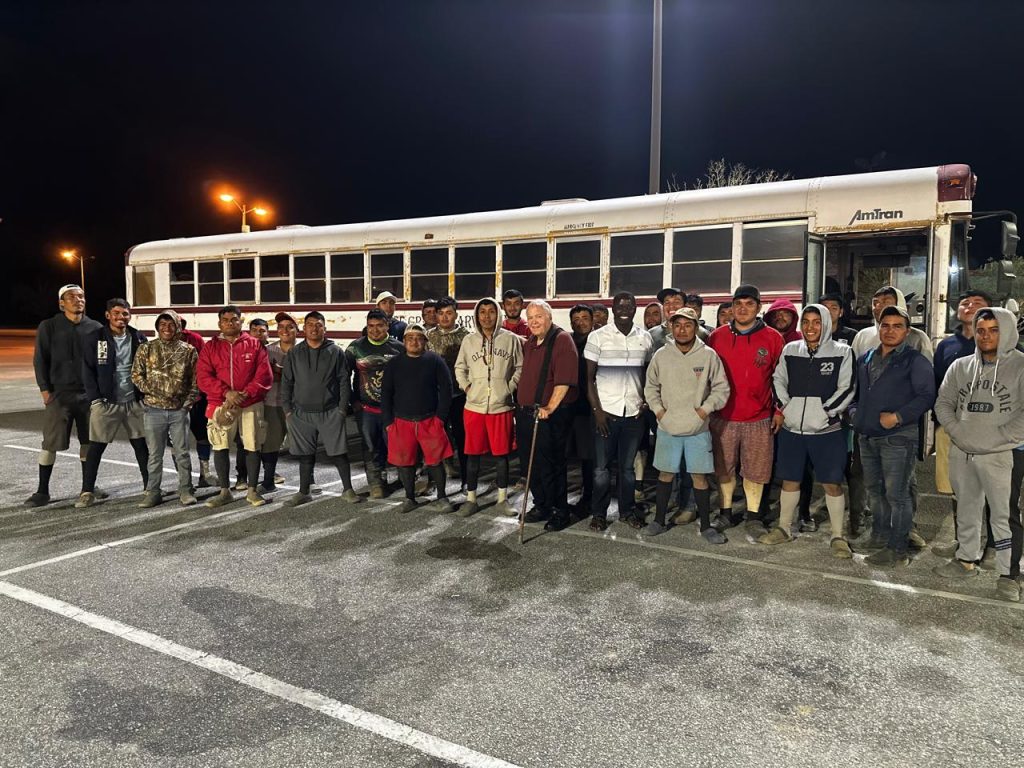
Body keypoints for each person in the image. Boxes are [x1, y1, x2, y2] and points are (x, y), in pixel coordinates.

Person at [933, 307, 1024, 602]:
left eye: (994, 330)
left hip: (1002, 455)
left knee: (1003, 515)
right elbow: (943, 403)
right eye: (981, 330)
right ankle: (966, 560)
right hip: (963, 451)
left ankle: (1009, 574)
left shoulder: (1021, 366)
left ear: (1007, 330)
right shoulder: (960, 367)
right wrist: (959, 433)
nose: (986, 336)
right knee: (967, 508)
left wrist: (998, 438)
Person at [757, 304, 856, 557]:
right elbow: (777, 379)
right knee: (790, 480)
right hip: (793, 430)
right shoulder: (791, 350)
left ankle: (837, 536)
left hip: (827, 431)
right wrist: (786, 407)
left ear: (825, 323)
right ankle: (783, 528)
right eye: (806, 322)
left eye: (816, 322)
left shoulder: (843, 352)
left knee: (832, 484)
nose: (810, 327)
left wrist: (825, 412)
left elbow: (847, 388)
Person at [853, 305, 935, 567]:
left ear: (907, 331)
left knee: (897, 495)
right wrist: (854, 412)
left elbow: (926, 396)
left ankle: (898, 549)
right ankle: (879, 535)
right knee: (875, 492)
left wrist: (898, 417)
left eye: (897, 326)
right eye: (885, 325)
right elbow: (857, 393)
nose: (890, 331)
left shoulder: (914, 360)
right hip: (867, 436)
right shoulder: (866, 358)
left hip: (898, 438)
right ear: (878, 328)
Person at [642, 308, 730, 542]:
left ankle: (705, 526)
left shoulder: (708, 355)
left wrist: (704, 411)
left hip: (698, 429)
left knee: (699, 477)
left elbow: (722, 388)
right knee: (665, 474)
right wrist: (660, 412)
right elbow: (650, 388)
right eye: (677, 324)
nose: (682, 329)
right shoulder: (661, 355)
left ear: (696, 327)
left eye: (688, 325)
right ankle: (659, 521)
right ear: (670, 326)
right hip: (668, 426)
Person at [706, 284, 785, 529]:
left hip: (759, 417)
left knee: (756, 470)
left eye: (749, 304)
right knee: (723, 468)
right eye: (738, 304)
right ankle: (725, 513)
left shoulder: (773, 338)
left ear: (759, 308)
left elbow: (782, 378)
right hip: (723, 416)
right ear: (731, 307)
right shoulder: (716, 336)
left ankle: (753, 517)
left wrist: (779, 410)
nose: (743, 309)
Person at [26, 284, 103, 507]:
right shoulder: (49, 326)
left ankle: (88, 486)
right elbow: (40, 359)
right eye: (71, 297)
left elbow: (102, 361)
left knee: (89, 442)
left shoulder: (95, 327)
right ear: (61, 303)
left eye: (81, 296)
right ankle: (42, 491)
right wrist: (45, 389)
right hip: (59, 395)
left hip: (88, 396)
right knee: (51, 442)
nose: (78, 300)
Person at [585, 291, 654, 531]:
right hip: (606, 414)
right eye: (619, 305)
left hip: (633, 414)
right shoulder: (598, 337)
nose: (624, 309)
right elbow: (589, 379)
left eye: (629, 305)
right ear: (612, 309)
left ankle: (626, 512)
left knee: (627, 470)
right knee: (601, 470)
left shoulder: (645, 338)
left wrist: (645, 401)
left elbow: (647, 375)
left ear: (636, 309)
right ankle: (599, 514)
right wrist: (597, 412)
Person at [280, 311, 361, 506]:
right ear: (304, 328)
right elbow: (287, 382)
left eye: (318, 325)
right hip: (301, 413)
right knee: (305, 455)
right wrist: (288, 410)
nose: (314, 328)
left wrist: (342, 408)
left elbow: (344, 380)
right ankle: (303, 491)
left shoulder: (335, 352)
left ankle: (348, 490)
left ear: (325, 328)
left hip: (330, 412)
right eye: (310, 324)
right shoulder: (294, 353)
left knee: (339, 453)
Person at [197, 305, 273, 508]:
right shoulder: (210, 347)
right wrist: (227, 393)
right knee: (220, 446)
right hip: (219, 403)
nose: (230, 323)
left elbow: (264, 376)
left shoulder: (255, 345)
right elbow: (203, 376)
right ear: (219, 323)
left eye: (234, 319)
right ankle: (224, 491)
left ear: (241, 321)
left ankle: (252, 491)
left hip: (250, 404)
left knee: (252, 445)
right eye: (226, 320)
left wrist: (245, 394)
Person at [454, 297, 523, 517]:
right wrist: (467, 388)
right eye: (482, 312)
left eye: (491, 312)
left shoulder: (511, 339)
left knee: (501, 456)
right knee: (473, 455)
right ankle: (471, 499)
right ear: (476, 315)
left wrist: (508, 388)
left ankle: (502, 499)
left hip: (501, 407)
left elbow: (520, 366)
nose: (486, 316)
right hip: (473, 407)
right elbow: (459, 367)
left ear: (498, 314)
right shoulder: (469, 341)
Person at [77, 299, 149, 508]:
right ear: (108, 315)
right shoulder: (96, 338)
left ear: (129, 315)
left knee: (141, 446)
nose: (121, 317)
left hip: (134, 402)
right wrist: (95, 399)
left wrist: (144, 395)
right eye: (116, 313)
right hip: (107, 402)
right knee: (96, 448)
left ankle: (149, 487)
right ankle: (87, 491)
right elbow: (87, 370)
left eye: (125, 313)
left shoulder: (138, 337)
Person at [518, 300, 579, 531]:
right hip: (527, 413)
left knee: (551, 466)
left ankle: (559, 510)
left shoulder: (562, 339)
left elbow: (563, 380)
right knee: (531, 465)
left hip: (548, 416)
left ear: (549, 318)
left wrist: (550, 408)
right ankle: (542, 504)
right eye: (530, 317)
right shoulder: (531, 341)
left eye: (539, 316)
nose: (534, 321)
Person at [381, 323, 455, 513]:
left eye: (419, 338)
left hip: (430, 420)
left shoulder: (435, 360)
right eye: (410, 338)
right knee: (405, 462)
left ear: (425, 341)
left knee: (435, 461)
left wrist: (440, 418)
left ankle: (442, 496)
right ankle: (409, 498)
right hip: (401, 421)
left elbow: (447, 390)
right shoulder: (394, 364)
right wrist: (388, 422)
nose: (414, 341)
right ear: (404, 341)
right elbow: (386, 394)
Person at [130, 310, 200, 507]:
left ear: (177, 326)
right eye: (162, 324)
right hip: (153, 410)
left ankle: (186, 490)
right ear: (157, 327)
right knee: (155, 454)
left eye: (170, 324)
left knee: (182, 452)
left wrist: (187, 403)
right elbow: (136, 375)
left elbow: (196, 380)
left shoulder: (188, 350)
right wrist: (152, 393)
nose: (166, 328)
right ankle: (153, 492)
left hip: (179, 410)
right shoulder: (146, 348)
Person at [347, 309, 406, 498]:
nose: (375, 330)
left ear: (387, 325)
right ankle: (376, 483)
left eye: (379, 325)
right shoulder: (355, 348)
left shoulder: (399, 347)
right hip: (366, 410)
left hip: (393, 410)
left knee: (396, 446)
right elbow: (342, 377)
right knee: (371, 447)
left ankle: (405, 480)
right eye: (371, 326)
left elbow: (407, 378)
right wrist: (353, 401)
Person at [426, 296, 471, 483]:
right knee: (435, 438)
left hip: (460, 395)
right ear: (436, 315)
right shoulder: (427, 337)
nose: (445, 317)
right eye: (441, 313)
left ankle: (468, 480)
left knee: (462, 437)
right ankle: (435, 480)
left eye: (449, 313)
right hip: (436, 396)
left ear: (456, 315)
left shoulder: (466, 337)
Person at [258, 311, 297, 492]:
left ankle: (309, 480)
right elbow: (264, 376)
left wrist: (280, 372)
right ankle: (268, 479)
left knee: (305, 442)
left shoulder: (303, 351)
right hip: (272, 402)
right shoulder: (269, 350)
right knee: (271, 442)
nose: (285, 330)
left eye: (290, 327)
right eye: (281, 327)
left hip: (298, 404)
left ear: (297, 330)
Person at [567, 304, 596, 517]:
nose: (580, 322)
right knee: (568, 454)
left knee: (589, 457)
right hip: (568, 407)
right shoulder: (566, 342)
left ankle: (589, 497)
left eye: (584, 317)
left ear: (592, 320)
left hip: (591, 408)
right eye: (576, 319)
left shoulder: (599, 341)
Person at [852, 286, 934, 362]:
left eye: (886, 302)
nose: (878, 306)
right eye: (875, 302)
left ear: (899, 305)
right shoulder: (862, 336)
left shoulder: (918, 338)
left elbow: (926, 371)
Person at [179, 318, 215, 487]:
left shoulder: (195, 339)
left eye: (176, 324)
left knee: (203, 436)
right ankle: (183, 479)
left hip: (197, 397)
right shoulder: (156, 345)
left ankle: (205, 473)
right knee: (177, 442)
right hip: (173, 402)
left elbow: (204, 366)